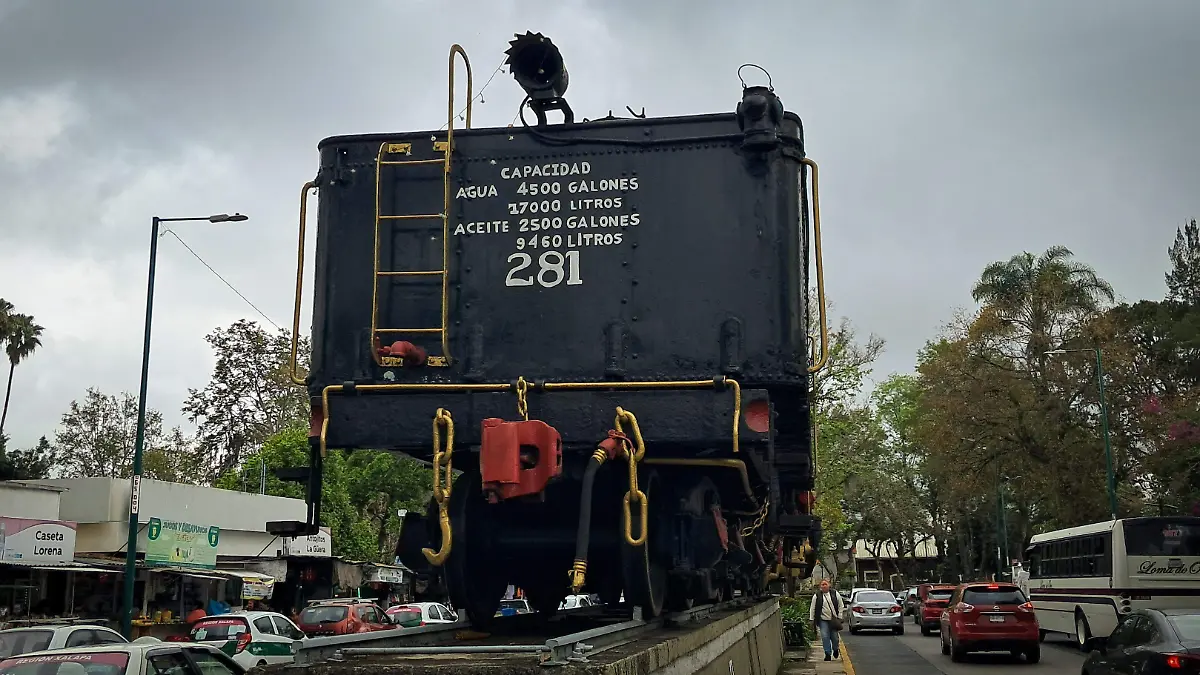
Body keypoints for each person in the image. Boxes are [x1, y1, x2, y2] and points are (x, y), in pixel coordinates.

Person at [808, 579, 842, 661]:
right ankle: (827, 653)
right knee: (825, 636)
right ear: (820, 587)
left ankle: (836, 649)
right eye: (822, 584)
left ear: (829, 585)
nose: (824, 586)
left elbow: (841, 605)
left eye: (825, 584)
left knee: (835, 637)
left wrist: (840, 616)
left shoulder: (835, 593)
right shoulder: (817, 596)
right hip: (823, 620)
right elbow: (812, 608)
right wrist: (812, 619)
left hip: (833, 619)